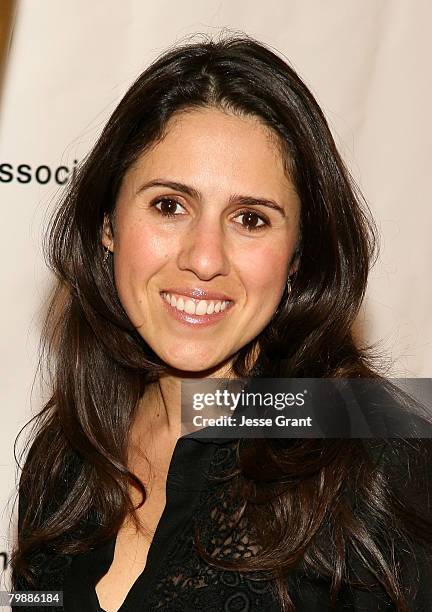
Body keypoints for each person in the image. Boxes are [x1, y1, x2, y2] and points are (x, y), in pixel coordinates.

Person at [10, 33, 432, 612]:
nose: (204, 258)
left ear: (299, 256)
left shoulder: (379, 456)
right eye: (168, 205)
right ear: (107, 223)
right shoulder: (67, 454)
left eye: (251, 219)